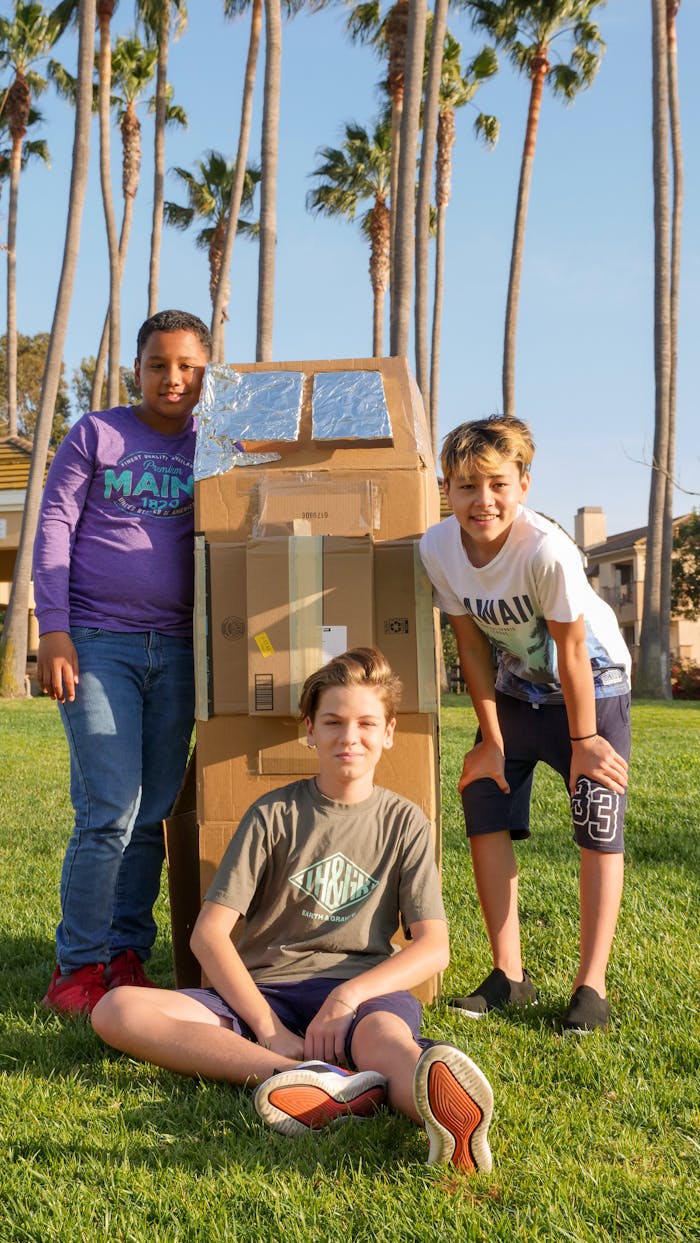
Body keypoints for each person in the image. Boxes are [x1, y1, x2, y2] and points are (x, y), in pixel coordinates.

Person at [91, 648, 494, 1174]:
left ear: (389, 732)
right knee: (117, 1009)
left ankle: (443, 1114)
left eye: (367, 723)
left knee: (385, 1042)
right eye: (333, 722)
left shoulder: (406, 822)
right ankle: (299, 1076)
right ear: (310, 730)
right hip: (264, 994)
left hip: (362, 997)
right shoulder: (272, 814)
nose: (350, 737)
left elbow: (433, 946)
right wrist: (270, 1030)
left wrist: (349, 995)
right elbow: (208, 936)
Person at [419, 416, 631, 1034]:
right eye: (465, 486)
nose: (482, 500)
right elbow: (472, 647)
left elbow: (571, 654)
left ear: (523, 485)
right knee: (484, 801)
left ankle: (591, 985)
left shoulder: (545, 550)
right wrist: (488, 739)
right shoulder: (437, 547)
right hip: (515, 692)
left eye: (497, 485)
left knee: (597, 821)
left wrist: (586, 743)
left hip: (591, 689)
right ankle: (508, 974)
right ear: (446, 489)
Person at [34, 309, 213, 1016]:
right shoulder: (96, 434)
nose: (173, 379)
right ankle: (77, 965)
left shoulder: (217, 446)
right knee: (110, 808)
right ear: (135, 370)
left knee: (152, 815)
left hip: (179, 647)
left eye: (188, 367)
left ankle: (127, 950)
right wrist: (54, 631)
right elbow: (53, 528)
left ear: (206, 372)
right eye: (159, 365)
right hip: (98, 642)